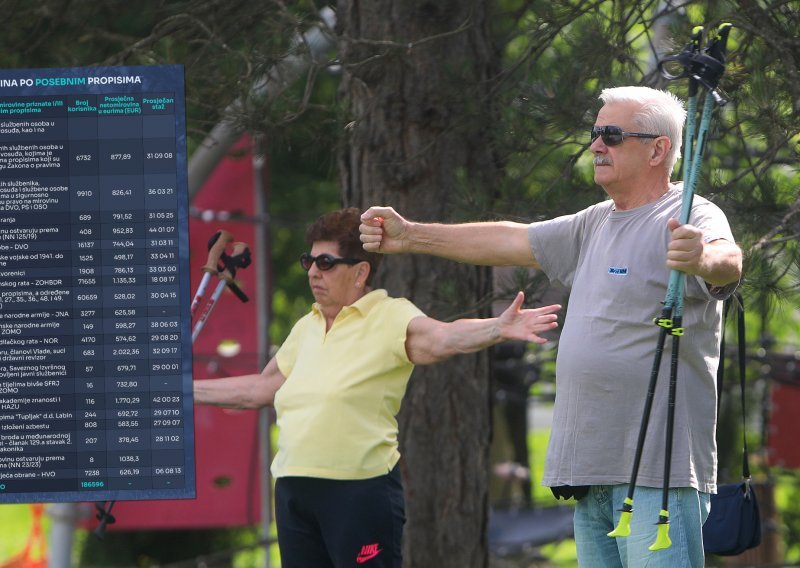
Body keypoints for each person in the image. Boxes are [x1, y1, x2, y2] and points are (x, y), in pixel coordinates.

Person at [359, 86, 742, 567]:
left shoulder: (692, 215)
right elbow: (511, 239)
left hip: (658, 474)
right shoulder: (594, 223)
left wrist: (703, 257)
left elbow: (728, 262)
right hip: (590, 471)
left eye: (611, 134)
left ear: (658, 149)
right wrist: (410, 235)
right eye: (594, 133)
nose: (596, 145)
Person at [193, 207, 561, 568]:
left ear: (360, 272)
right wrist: (182, 390)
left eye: (326, 263)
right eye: (309, 261)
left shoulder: (389, 315)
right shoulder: (307, 325)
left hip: (358, 493)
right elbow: (261, 388)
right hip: (294, 493)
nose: (313, 273)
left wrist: (497, 327)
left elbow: (442, 338)